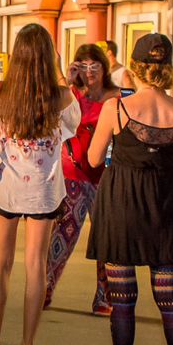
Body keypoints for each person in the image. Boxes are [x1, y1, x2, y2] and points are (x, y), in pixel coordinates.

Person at [84, 33, 173, 345]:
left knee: (123, 298)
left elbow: (94, 159)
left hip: (123, 207)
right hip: (164, 207)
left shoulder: (116, 108)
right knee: (169, 297)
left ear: (133, 68)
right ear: (166, 69)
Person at [0, 23, 79, 345]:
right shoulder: (62, 96)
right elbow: (73, 127)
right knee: (35, 266)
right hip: (44, 192)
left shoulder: (2, 93)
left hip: (6, 188)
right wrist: (61, 72)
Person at [44, 42, 120, 315]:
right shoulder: (71, 95)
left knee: (106, 236)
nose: (89, 71)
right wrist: (66, 76)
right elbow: (55, 119)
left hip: (106, 175)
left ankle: (105, 297)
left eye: (94, 65)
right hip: (73, 172)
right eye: (83, 65)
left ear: (104, 67)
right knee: (63, 233)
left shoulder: (116, 97)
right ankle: (45, 287)